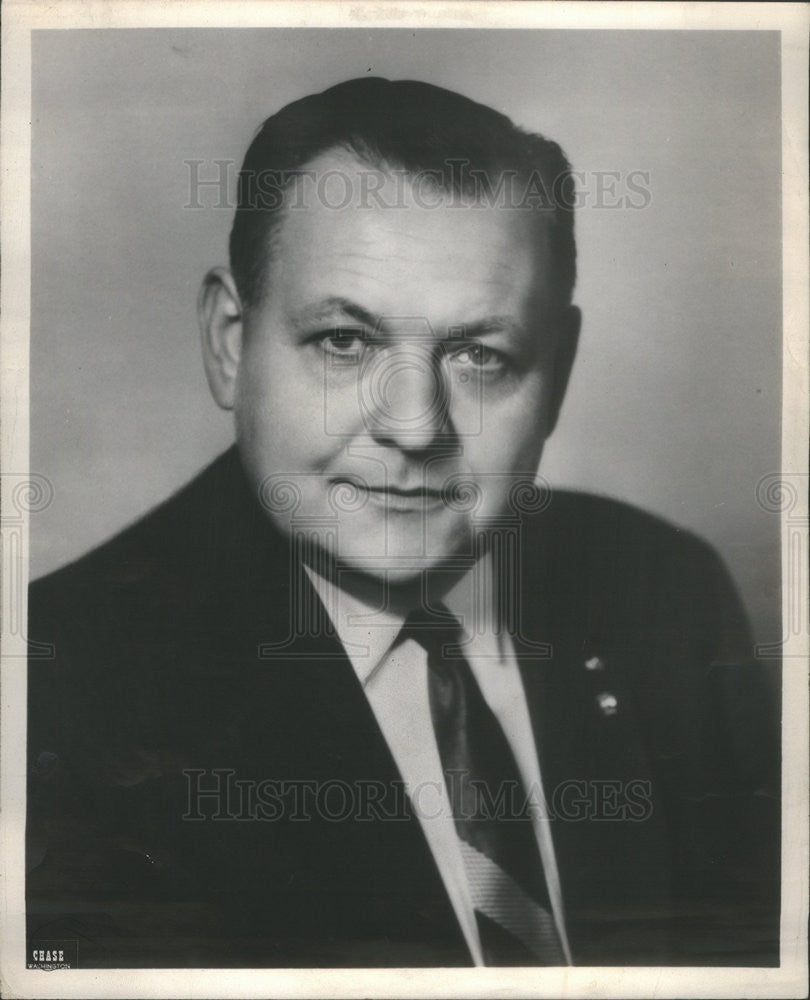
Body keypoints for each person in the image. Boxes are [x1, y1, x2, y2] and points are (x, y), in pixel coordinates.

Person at [26, 77, 779, 969]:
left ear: (560, 371)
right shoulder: (57, 694)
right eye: (345, 342)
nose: (416, 425)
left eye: (479, 354)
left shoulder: (667, 590)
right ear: (231, 341)